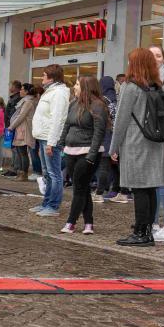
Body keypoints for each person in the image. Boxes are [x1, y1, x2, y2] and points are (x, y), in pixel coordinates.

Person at [111, 48, 164, 247]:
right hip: (156, 143)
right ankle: (147, 232)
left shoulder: (130, 87)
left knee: (139, 189)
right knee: (150, 189)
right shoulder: (157, 86)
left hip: (137, 144)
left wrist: (113, 147)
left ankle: (140, 233)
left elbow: (121, 120)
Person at [58, 77, 107, 235]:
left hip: (87, 152)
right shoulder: (74, 104)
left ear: (86, 87)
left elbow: (99, 133)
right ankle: (89, 223)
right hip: (70, 151)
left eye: (77, 84)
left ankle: (71, 222)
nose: (74, 87)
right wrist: (60, 144)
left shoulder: (98, 105)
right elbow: (67, 125)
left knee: (79, 188)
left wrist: (91, 156)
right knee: (83, 187)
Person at [30, 64, 70, 217]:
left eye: (44, 75)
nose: (42, 77)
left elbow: (57, 119)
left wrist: (52, 142)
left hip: (50, 138)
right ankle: (46, 203)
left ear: (52, 78)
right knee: (47, 173)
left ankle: (53, 206)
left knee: (54, 174)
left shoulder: (58, 93)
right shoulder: (51, 91)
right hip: (44, 137)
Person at [95, 76, 122, 202]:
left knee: (104, 166)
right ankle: (117, 190)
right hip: (117, 137)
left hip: (106, 137)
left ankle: (99, 192)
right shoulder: (117, 99)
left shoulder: (103, 101)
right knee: (116, 167)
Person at [9, 83, 36, 182]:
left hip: (24, 129)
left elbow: (21, 116)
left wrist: (11, 126)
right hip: (20, 129)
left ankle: (23, 174)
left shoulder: (28, 102)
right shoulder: (25, 101)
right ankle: (20, 173)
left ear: (27, 91)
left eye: (22, 89)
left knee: (23, 153)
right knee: (20, 152)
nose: (20, 91)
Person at [3, 81, 23, 176]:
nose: (9, 87)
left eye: (11, 86)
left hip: (12, 126)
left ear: (15, 87)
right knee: (12, 147)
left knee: (15, 147)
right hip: (9, 126)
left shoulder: (17, 98)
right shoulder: (13, 98)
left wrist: (10, 125)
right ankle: (13, 167)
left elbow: (14, 114)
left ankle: (15, 168)